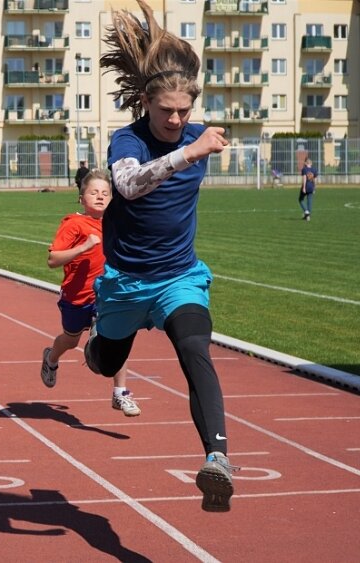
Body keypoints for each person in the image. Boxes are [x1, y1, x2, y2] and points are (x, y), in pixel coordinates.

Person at [86, 0, 236, 512]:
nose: (175, 119)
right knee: (106, 361)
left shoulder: (199, 136)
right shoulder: (127, 139)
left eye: (184, 111)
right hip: (125, 282)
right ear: (146, 103)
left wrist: (196, 144)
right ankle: (95, 345)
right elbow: (127, 185)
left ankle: (217, 461)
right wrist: (188, 153)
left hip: (178, 277)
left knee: (196, 350)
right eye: (165, 110)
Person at [41, 169, 140, 417]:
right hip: (76, 297)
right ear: (81, 198)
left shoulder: (117, 223)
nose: (99, 197)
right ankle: (51, 358)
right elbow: (53, 259)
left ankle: (121, 392)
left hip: (106, 295)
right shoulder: (74, 224)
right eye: (93, 192)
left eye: (105, 193)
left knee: (118, 337)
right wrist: (84, 247)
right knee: (71, 339)